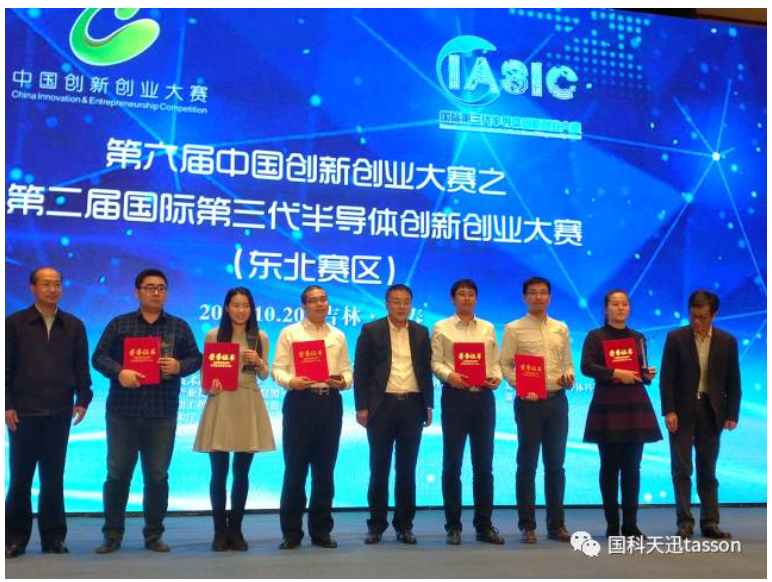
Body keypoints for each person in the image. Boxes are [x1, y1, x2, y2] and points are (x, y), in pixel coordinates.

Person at [92, 268, 202, 554]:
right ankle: (112, 534)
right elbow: (98, 357)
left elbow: (196, 358)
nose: (156, 292)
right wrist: (119, 372)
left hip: (162, 412)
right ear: (137, 292)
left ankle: (153, 535)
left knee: (157, 476)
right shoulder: (120, 324)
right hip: (123, 412)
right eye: (150, 287)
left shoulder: (179, 326)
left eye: (161, 288)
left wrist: (179, 366)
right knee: (117, 475)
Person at [5, 267, 93, 559]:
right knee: (20, 478)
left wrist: (83, 399)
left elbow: (81, 368)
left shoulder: (74, 325)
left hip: (59, 411)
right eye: (46, 284)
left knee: (53, 478)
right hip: (23, 412)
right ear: (33, 288)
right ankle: (14, 539)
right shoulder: (14, 324)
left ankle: (54, 538)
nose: (52, 289)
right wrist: (7, 404)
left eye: (57, 284)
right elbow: (5, 368)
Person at [194, 287, 275, 551]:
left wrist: (259, 361)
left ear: (251, 309)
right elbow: (205, 378)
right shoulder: (214, 335)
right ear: (227, 308)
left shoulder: (259, 336)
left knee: (242, 473)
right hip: (220, 403)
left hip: (248, 403)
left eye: (245, 306)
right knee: (218, 473)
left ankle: (236, 529)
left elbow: (265, 374)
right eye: (236, 305)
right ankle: (219, 531)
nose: (241, 310)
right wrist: (210, 386)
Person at [272, 285, 352, 550]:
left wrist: (343, 381)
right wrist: (291, 381)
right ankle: (291, 532)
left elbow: (347, 371)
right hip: (300, 402)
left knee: (325, 471)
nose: (320, 304)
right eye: (314, 301)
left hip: (330, 403)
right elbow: (277, 370)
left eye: (323, 299)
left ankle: (321, 531)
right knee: (295, 470)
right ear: (304, 306)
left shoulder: (338, 335)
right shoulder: (290, 333)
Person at [354, 284, 433, 545]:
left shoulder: (421, 332)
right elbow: (361, 371)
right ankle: (376, 525)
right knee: (379, 468)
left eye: (406, 301)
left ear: (411, 304)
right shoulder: (372, 330)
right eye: (396, 301)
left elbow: (425, 371)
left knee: (407, 469)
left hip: (412, 405)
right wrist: (361, 407)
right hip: (381, 407)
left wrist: (428, 404)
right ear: (387, 303)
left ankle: (404, 525)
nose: (401, 306)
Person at [660, 290, 741, 540]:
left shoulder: (727, 341)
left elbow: (733, 381)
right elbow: (666, 379)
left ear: (714, 315)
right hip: (681, 411)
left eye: (703, 317)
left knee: (708, 469)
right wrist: (669, 410)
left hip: (712, 410)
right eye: (693, 316)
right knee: (682, 468)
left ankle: (710, 523)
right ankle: (684, 522)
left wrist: (732, 413)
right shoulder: (676, 338)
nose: (697, 321)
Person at [581, 290, 662, 538]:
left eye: (624, 304)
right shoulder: (595, 336)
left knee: (632, 468)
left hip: (634, 406)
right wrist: (616, 373)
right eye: (615, 304)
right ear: (606, 309)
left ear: (629, 308)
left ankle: (630, 525)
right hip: (607, 406)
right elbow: (587, 367)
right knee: (609, 466)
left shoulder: (637, 337)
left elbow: (641, 373)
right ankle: (612, 524)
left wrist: (647, 374)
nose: (620, 308)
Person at [501, 276, 575, 544]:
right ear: (524, 297)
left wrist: (569, 376)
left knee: (556, 465)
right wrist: (520, 386)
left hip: (557, 401)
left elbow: (568, 363)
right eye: (533, 292)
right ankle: (527, 525)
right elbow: (505, 364)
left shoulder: (560, 328)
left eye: (543, 292)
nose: (538, 297)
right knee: (527, 464)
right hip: (529, 403)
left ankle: (556, 525)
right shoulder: (513, 328)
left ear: (550, 297)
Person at [431, 279, 505, 546]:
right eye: (461, 294)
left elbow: (495, 363)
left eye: (470, 294)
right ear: (453, 299)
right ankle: (453, 526)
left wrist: (496, 378)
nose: (466, 298)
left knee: (484, 465)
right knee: (452, 464)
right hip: (455, 398)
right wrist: (450, 376)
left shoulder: (487, 327)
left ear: (476, 298)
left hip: (483, 399)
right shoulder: (441, 327)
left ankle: (484, 526)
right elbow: (435, 362)